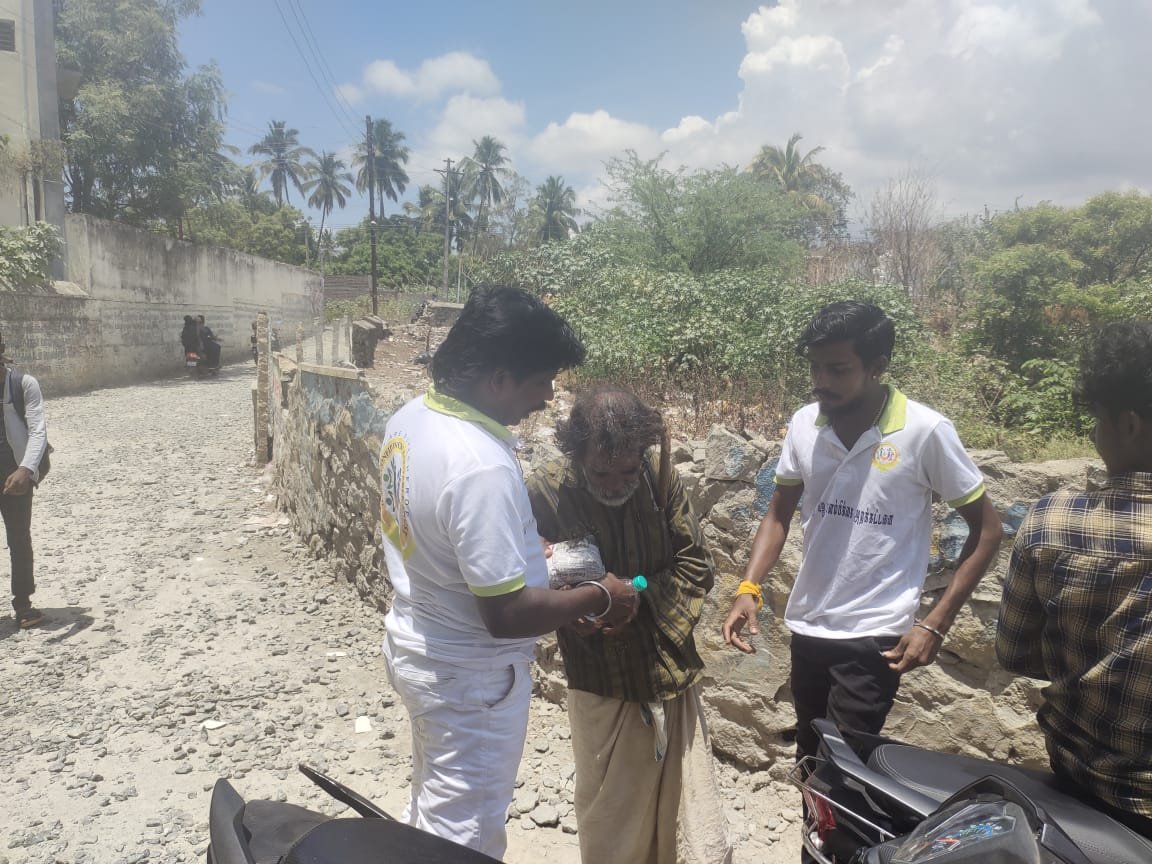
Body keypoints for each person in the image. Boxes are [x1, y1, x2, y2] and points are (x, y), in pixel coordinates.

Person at [378, 287, 640, 858]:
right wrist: (600, 594)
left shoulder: (412, 418)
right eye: (540, 381)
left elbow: (443, 536)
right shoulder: (479, 466)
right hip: (470, 678)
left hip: (419, 644)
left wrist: (523, 552)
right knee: (463, 837)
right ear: (499, 378)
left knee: (432, 804)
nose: (547, 397)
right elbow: (507, 613)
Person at [722, 301, 1002, 767]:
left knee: (844, 769)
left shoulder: (925, 431)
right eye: (815, 367)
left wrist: (935, 623)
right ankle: (817, 818)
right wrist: (748, 587)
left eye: (838, 369)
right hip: (809, 623)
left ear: (877, 366)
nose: (821, 380)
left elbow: (988, 531)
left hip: (875, 633)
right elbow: (777, 515)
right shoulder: (804, 424)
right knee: (810, 759)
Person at [527, 387, 732, 864]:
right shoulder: (544, 492)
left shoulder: (659, 478)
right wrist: (568, 602)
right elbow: (524, 577)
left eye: (627, 471)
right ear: (577, 453)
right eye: (601, 472)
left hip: (667, 674)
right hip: (599, 680)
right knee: (611, 823)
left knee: (684, 827)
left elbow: (696, 566)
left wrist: (635, 595)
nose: (616, 485)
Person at [996, 321, 1152, 838]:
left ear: (1129, 424)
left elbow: (1015, 653)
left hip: (1078, 781)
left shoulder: (1053, 522)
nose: (1093, 435)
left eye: (1098, 420)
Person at [0, 334, 49, 628]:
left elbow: (38, 430)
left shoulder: (23, 384)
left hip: (15, 476)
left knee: (19, 539)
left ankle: (23, 604)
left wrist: (26, 469)